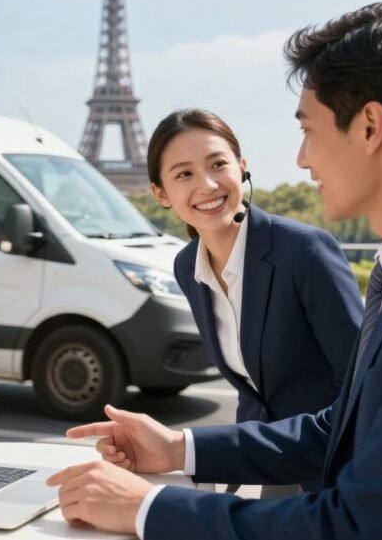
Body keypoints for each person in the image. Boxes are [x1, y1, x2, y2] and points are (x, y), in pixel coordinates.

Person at [47, 0, 382, 539]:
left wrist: (146, 509)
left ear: (370, 126)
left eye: (309, 130)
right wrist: (179, 447)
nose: (302, 159)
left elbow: (365, 527)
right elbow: (348, 427)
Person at [146, 108, 362, 496]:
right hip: (257, 466)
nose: (208, 184)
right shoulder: (187, 267)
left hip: (333, 472)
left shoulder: (303, 251)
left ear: (242, 167)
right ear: (160, 192)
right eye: (184, 174)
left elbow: (362, 387)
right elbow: (255, 388)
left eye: (218, 164)